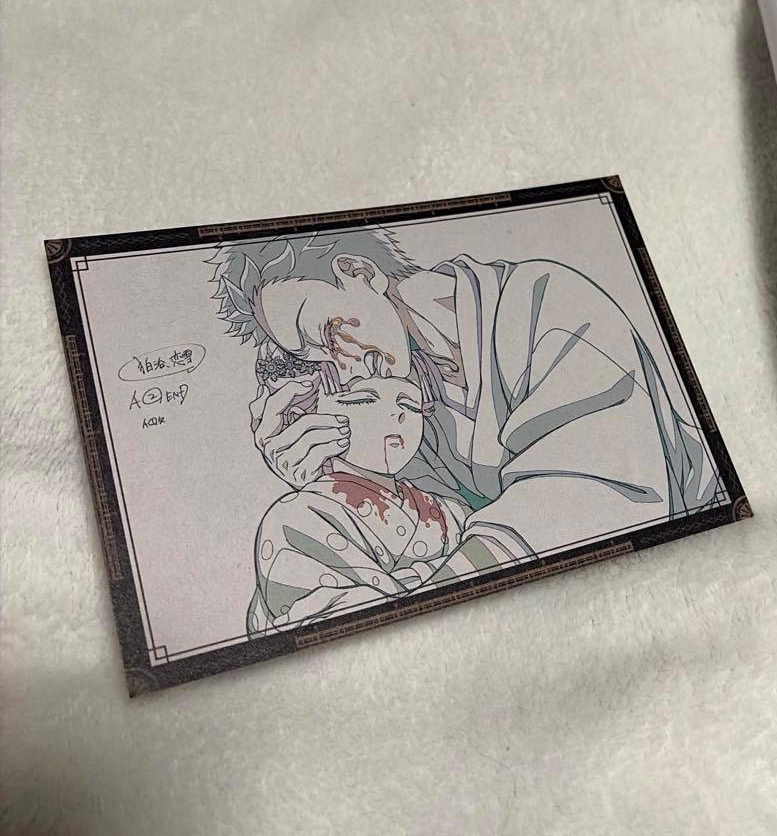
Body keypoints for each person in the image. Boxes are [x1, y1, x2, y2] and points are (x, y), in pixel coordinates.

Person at [212, 225, 726, 580]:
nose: (339, 368)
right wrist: (337, 479)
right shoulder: (405, 402)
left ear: (361, 273)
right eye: (312, 358)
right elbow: (424, 538)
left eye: (326, 332)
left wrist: (425, 599)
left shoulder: (545, 303)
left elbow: (586, 503)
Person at [246, 372, 528, 634]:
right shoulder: (297, 516)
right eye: (362, 400)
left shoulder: (451, 510)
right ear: (308, 420)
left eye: (411, 406)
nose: (396, 414)